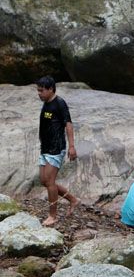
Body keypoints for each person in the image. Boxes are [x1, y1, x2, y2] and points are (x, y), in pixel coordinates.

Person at [36, 76, 80, 226]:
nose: (39, 94)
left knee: (50, 182)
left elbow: (68, 124)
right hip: (45, 147)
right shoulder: (46, 104)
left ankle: (52, 215)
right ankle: (73, 200)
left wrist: (72, 146)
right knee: (44, 181)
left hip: (55, 148)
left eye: (41, 91)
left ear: (50, 89)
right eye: (38, 90)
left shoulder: (59, 104)